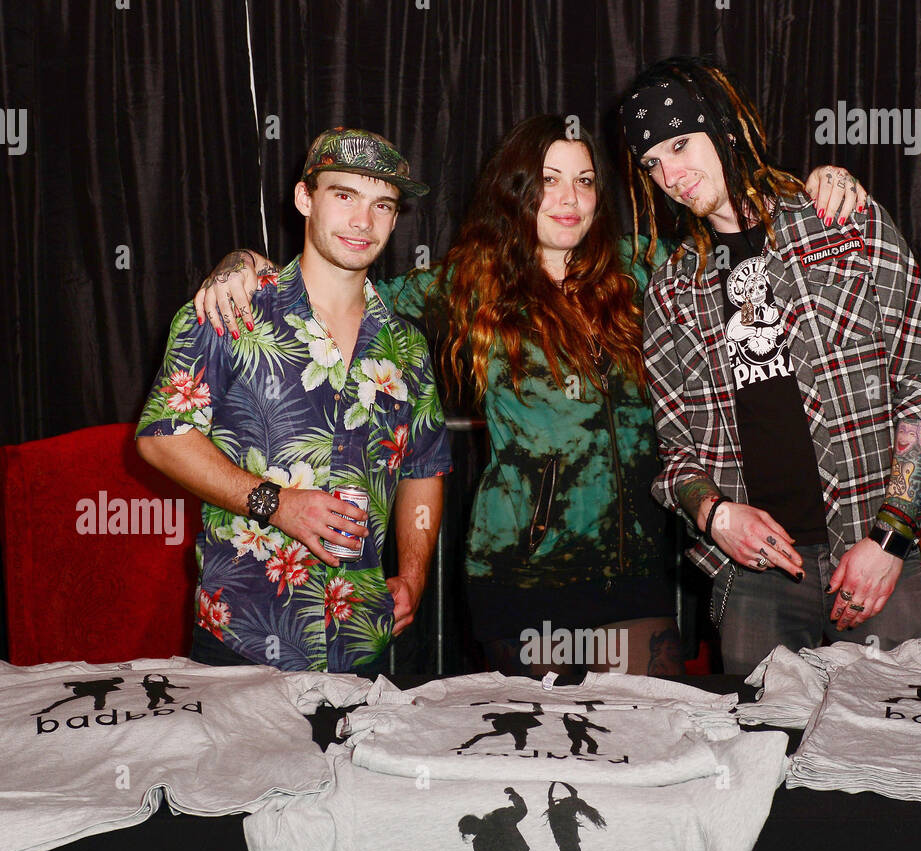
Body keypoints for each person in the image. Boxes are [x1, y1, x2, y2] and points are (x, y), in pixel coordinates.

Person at [194, 116, 864, 679]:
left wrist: (807, 192)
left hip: (635, 570)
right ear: (518, 192)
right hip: (518, 576)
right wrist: (248, 266)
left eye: (584, 181)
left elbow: (741, 247)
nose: (568, 199)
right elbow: (344, 287)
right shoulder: (472, 281)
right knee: (538, 767)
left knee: (645, 755)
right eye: (547, 182)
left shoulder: (642, 269)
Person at [621, 58, 921, 674]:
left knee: (889, 759)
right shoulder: (671, 288)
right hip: (757, 579)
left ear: (724, 127)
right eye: (651, 163)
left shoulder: (843, 220)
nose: (669, 174)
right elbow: (675, 455)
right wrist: (715, 515)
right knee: (763, 758)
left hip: (875, 550)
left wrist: (889, 537)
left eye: (678, 144)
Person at [136, 128, 451, 675]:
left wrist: (416, 573)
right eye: (344, 195)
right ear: (305, 199)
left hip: (364, 644)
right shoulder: (228, 310)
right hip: (244, 639)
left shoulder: (408, 345)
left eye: (382, 204)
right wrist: (276, 504)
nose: (362, 222)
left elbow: (424, 466)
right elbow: (163, 439)